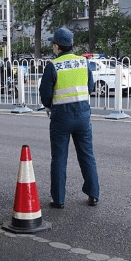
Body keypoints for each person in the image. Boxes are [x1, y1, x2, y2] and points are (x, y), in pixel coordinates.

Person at [38, 26, 100, 208]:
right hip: (82, 115)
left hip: (61, 117)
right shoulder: (83, 63)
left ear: (57, 46)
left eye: (53, 44)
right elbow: (90, 87)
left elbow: (45, 95)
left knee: (59, 158)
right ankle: (93, 194)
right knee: (87, 155)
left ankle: (58, 199)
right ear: (72, 45)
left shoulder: (53, 66)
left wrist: (51, 105)